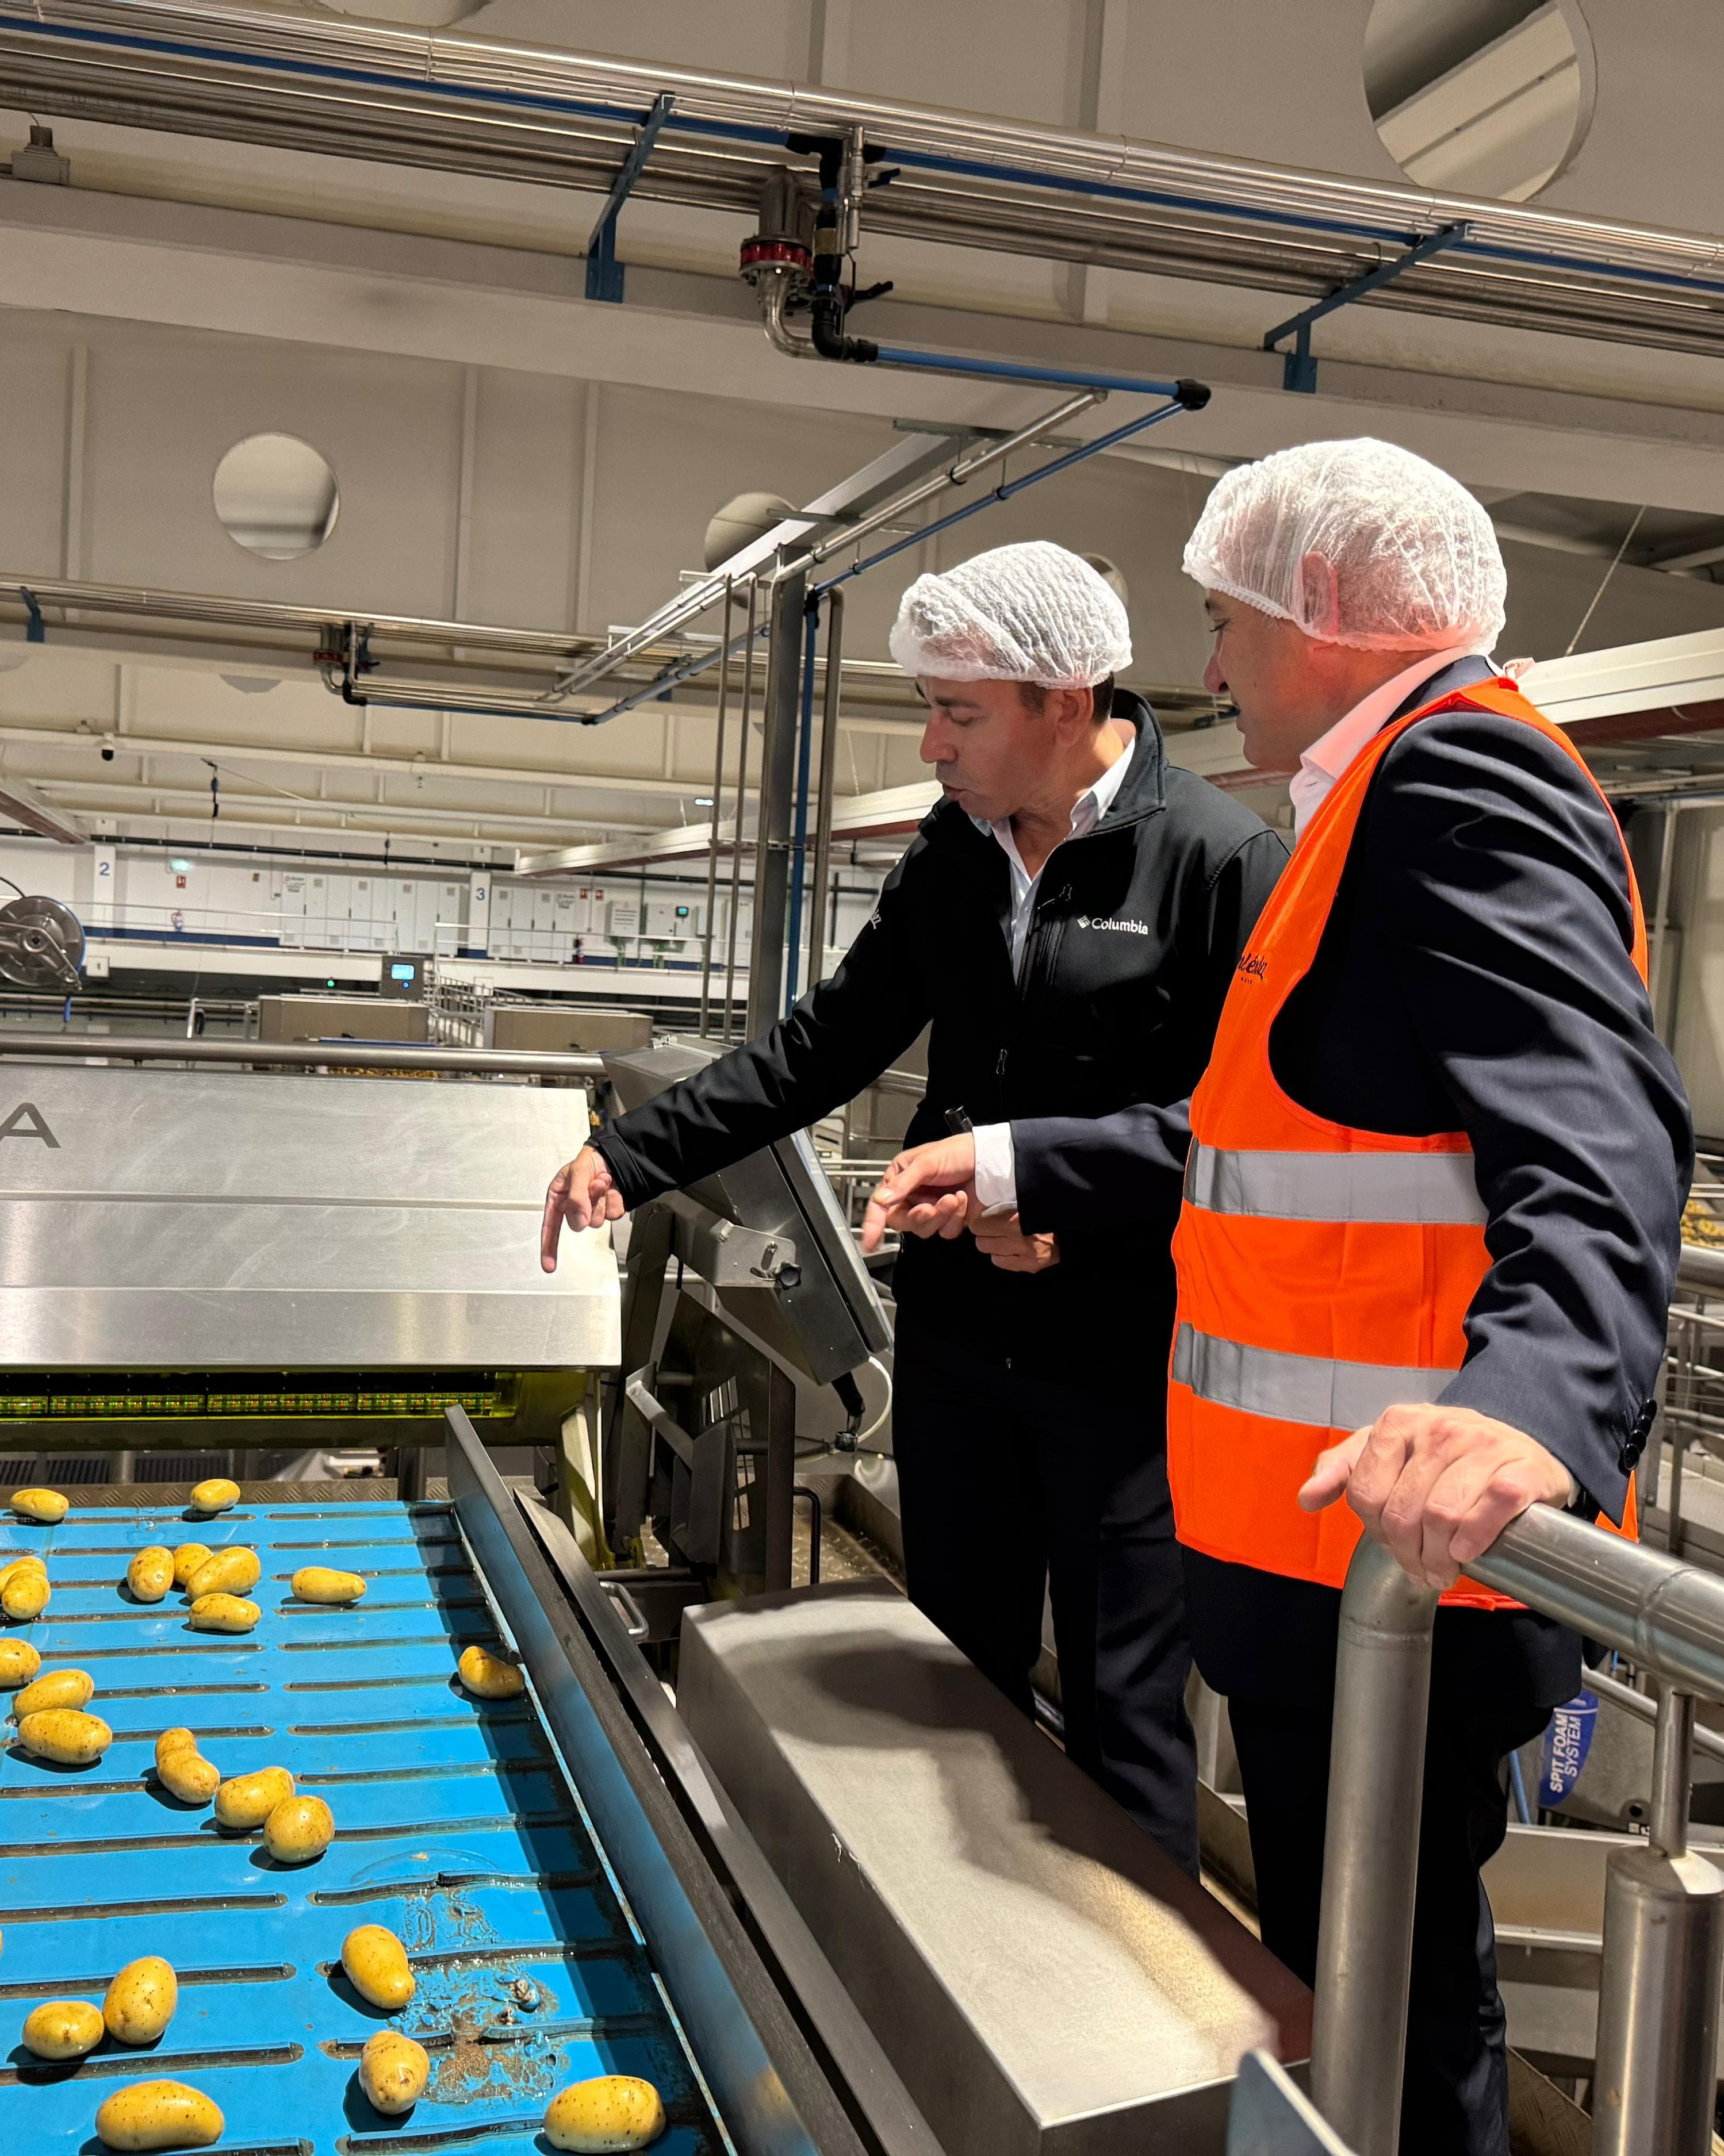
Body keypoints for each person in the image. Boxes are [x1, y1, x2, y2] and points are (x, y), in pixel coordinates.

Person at [864, 442, 1692, 2156]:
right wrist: (1030, 1161)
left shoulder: (1458, 777)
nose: (1214, 661)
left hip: (1392, 1557)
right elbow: (1261, 1138)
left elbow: (1605, 1133)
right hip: (1319, 1554)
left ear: (1320, 613)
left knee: (1395, 2002)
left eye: (1228, 618)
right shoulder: (1364, 799)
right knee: (1356, 1976)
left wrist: (1529, 1406)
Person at [538, 539, 1285, 1868]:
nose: (931, 747)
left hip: (1126, 1363)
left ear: (1065, 703)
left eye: (957, 713)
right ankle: (962, 1972)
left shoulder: (1217, 865)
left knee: (1123, 1711)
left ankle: (1130, 2032)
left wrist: (1046, 1184)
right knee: (960, 1672)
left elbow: (1246, 1133)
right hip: (957, 1347)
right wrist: (638, 1152)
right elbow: (826, 1044)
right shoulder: (954, 854)